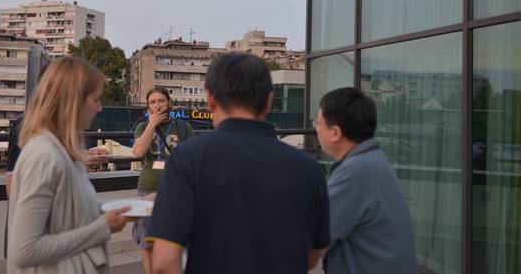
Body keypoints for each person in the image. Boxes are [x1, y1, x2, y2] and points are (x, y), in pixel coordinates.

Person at [148, 53, 330, 274]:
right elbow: (313, 256)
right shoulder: (309, 169)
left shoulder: (187, 159)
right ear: (270, 100)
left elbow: (164, 263)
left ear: (210, 99)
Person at [6, 57, 132, 274]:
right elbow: (25, 251)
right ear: (74, 102)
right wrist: (102, 228)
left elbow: (75, 207)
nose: (100, 108)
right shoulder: (44, 156)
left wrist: (134, 205)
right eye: (95, 99)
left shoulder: (60, 151)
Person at [315, 87, 417, 274]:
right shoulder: (371, 161)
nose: (316, 130)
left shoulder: (357, 170)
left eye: (318, 123)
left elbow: (315, 238)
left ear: (335, 132)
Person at [131, 87, 194, 274]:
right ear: (148, 107)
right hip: (148, 190)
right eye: (153, 102)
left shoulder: (184, 127)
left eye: (161, 101)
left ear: (169, 102)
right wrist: (151, 125)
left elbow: (191, 161)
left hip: (176, 193)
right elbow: (139, 152)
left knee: (177, 242)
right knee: (146, 243)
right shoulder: (142, 127)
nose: (157, 105)